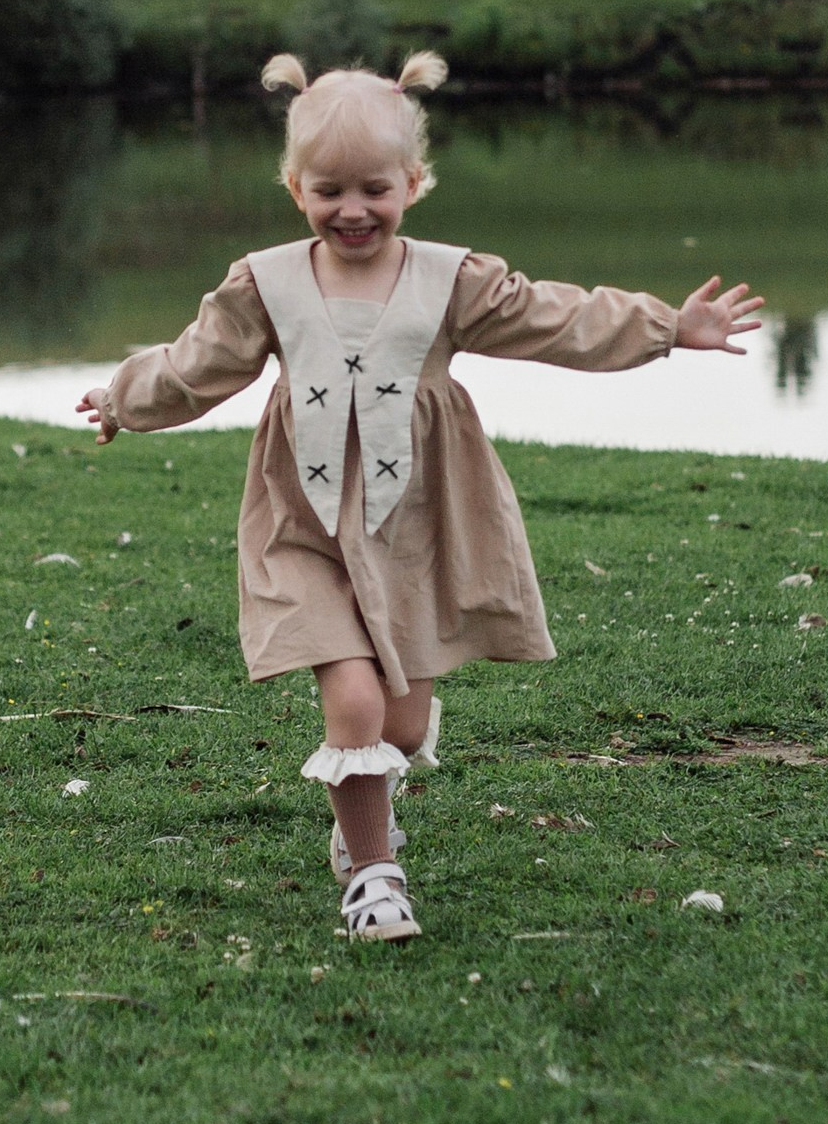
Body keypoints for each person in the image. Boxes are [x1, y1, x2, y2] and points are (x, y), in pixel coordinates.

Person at [77, 50, 762, 943]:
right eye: (328, 191)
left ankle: (367, 803)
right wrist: (124, 401)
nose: (351, 209)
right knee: (355, 704)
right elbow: (197, 365)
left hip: (420, 521)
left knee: (397, 722)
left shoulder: (453, 280)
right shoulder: (267, 285)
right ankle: (373, 878)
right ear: (295, 188)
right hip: (305, 522)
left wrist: (670, 326)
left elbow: (558, 319)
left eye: (373, 189)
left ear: (413, 181)